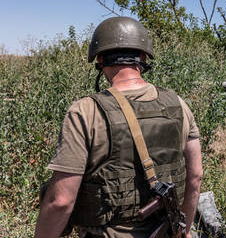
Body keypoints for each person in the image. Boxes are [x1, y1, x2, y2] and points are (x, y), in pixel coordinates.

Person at [34, 17, 203, 238]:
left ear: (100, 58)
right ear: (143, 57)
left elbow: (61, 200)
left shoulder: (85, 111)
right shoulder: (179, 105)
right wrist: (185, 230)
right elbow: (195, 177)